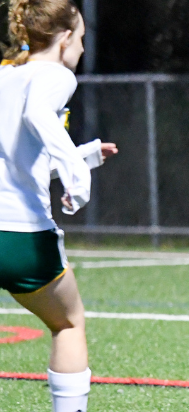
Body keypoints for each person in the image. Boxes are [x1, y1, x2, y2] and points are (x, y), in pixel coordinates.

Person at [1, 1, 115, 411]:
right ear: (65, 37)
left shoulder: (3, 74)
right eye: (81, 39)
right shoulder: (57, 75)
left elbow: (20, 161)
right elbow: (37, 116)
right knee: (68, 324)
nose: (82, 50)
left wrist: (83, 157)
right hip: (21, 238)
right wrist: (75, 172)